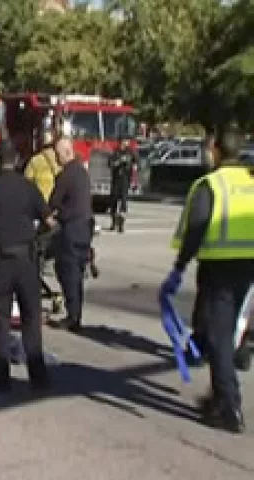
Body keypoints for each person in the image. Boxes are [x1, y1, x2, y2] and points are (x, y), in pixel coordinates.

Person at [164, 127, 254, 433]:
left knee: (218, 337)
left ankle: (229, 406)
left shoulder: (211, 185)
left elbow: (197, 228)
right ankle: (219, 397)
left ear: (215, 149)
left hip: (220, 270)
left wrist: (179, 266)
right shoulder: (250, 182)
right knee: (220, 330)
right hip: (246, 269)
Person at [0, 140, 55, 390]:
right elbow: (50, 222)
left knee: (1, 318)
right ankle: (38, 376)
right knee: (31, 316)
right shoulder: (28, 188)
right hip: (27, 260)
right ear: (18, 160)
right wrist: (38, 240)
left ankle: (1, 376)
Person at [49, 138, 93, 332]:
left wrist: (47, 215)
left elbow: (53, 202)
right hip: (85, 228)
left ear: (67, 153)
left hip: (71, 229)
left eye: (57, 154)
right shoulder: (82, 172)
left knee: (68, 271)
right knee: (77, 272)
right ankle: (76, 314)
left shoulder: (66, 175)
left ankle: (73, 317)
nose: (56, 158)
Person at [108, 137, 138, 233]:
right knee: (114, 201)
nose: (127, 142)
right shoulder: (115, 152)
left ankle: (121, 224)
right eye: (126, 141)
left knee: (124, 202)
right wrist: (119, 161)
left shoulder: (131, 152)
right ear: (121, 142)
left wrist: (135, 180)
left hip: (125, 180)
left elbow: (136, 164)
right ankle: (113, 222)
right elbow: (110, 164)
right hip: (116, 179)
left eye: (128, 141)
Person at [23, 130, 60, 202]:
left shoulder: (35, 160)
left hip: (40, 203)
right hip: (56, 202)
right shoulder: (60, 160)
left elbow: (26, 183)